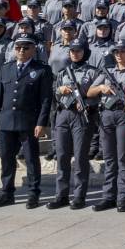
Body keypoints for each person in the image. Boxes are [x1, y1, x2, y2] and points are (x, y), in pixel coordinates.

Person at [0, 36, 53, 210]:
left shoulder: (41, 70)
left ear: (33, 49)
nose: (21, 51)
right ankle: (6, 193)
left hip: (29, 122)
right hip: (6, 122)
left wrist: (41, 122)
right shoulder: (6, 68)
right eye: (18, 48)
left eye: (25, 48)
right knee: (7, 159)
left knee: (31, 159)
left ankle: (33, 193)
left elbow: (46, 99)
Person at [88, 39, 125, 212]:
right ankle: (108, 196)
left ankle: (123, 197)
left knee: (123, 158)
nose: (119, 55)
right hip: (107, 115)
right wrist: (101, 87)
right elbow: (89, 92)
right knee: (109, 159)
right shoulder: (107, 71)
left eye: (122, 51)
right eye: (116, 52)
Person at [48, 39, 100, 210]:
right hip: (63, 114)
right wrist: (59, 90)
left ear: (85, 52)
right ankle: (61, 195)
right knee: (62, 156)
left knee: (80, 157)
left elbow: (98, 95)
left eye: (78, 50)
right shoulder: (64, 72)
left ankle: (79, 196)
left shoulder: (93, 72)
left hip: (81, 116)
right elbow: (54, 92)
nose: (75, 53)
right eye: (72, 50)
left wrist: (87, 101)